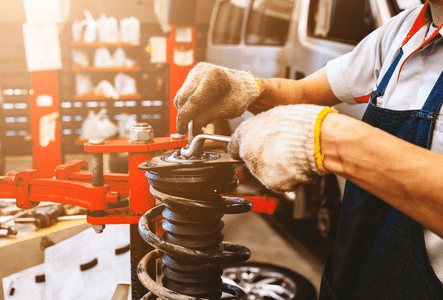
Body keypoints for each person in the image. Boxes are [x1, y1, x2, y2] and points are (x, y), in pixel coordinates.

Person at [174, 1, 443, 299]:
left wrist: (334, 142)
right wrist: (248, 88)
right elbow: (303, 92)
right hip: (353, 278)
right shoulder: (401, 31)